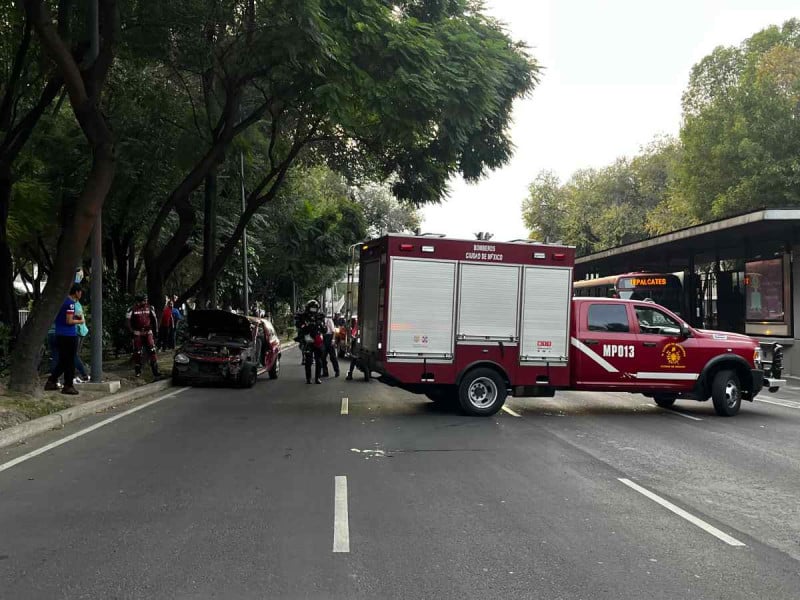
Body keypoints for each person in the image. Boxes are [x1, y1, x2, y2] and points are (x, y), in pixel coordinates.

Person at [44, 284, 85, 394]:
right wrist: (80, 321)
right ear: (76, 292)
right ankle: (68, 385)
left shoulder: (62, 302)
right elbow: (69, 321)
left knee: (63, 361)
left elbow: (64, 318)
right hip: (68, 335)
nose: (81, 294)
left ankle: (51, 381)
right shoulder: (70, 304)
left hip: (60, 333)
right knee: (70, 361)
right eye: (80, 292)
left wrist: (74, 318)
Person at [126, 293, 162, 379]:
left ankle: (155, 371)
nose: (145, 301)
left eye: (146, 300)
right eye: (144, 300)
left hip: (148, 332)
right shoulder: (131, 309)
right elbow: (127, 322)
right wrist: (132, 332)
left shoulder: (150, 307)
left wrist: (156, 331)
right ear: (139, 301)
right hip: (137, 332)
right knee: (137, 352)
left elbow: (154, 320)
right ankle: (138, 371)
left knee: (152, 350)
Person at [295, 299, 325, 384]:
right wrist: (304, 326)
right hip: (307, 339)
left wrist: (320, 325)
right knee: (308, 360)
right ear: (308, 308)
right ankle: (308, 378)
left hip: (317, 340)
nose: (313, 311)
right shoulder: (303, 316)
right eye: (312, 308)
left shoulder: (320, 317)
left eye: (315, 309)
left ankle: (317, 378)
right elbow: (298, 325)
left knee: (319, 360)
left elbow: (324, 329)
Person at [73, 293, 90, 382]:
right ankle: (82, 374)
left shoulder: (74, 303)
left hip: (77, 331)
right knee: (73, 355)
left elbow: (79, 317)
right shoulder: (76, 303)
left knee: (73, 355)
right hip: (78, 331)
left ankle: (83, 374)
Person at [322, 313, 340, 378]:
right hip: (323, 338)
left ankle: (337, 371)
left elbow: (333, 331)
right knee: (322, 357)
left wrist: (333, 340)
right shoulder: (320, 322)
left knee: (332, 357)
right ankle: (325, 372)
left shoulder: (329, 320)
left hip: (329, 337)